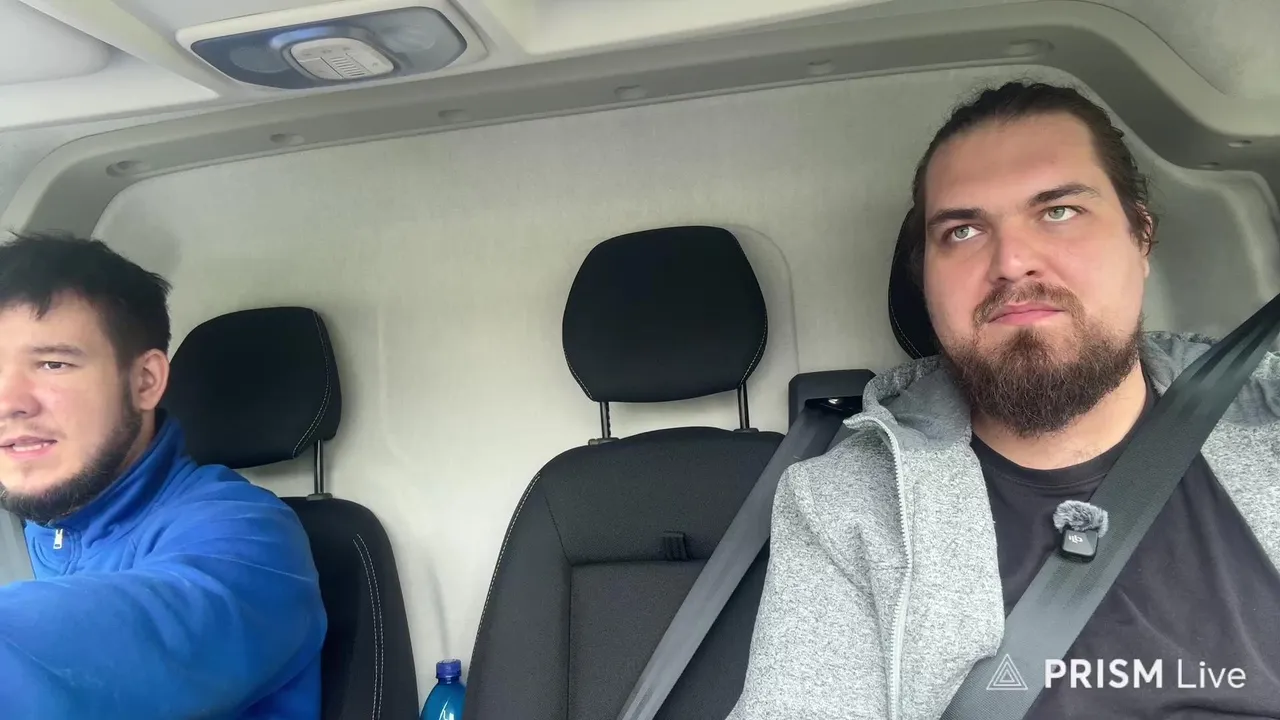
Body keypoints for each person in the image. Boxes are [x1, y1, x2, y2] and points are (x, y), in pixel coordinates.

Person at [729, 82, 1280, 719]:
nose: (1013, 262)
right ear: (926, 282)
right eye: (962, 231)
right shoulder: (848, 505)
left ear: (1141, 238)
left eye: (1059, 211)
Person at [0, 235, 327, 718]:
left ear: (145, 382)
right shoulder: (29, 530)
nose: (8, 402)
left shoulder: (251, 538)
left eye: (53, 363)